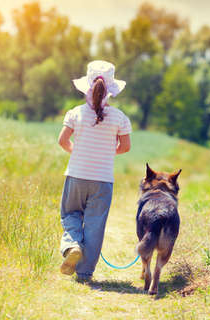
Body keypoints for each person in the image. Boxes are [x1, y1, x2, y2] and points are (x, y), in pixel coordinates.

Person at [58, 60, 132, 281]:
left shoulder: (76, 113)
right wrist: (107, 153)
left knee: (70, 214)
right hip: (102, 180)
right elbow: (126, 147)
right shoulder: (119, 117)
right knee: (95, 225)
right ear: (111, 90)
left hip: (76, 175)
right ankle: (84, 272)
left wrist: (78, 152)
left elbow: (62, 141)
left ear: (86, 86)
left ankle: (72, 246)